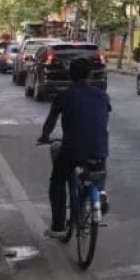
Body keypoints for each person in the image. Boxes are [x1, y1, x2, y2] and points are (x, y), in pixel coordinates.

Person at [39, 57, 111, 237]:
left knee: (57, 182)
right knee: (98, 171)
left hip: (72, 149)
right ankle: (100, 193)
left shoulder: (64, 96)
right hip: (99, 147)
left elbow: (50, 122)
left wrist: (45, 136)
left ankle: (58, 227)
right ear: (90, 74)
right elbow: (103, 120)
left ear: (70, 75)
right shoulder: (102, 95)